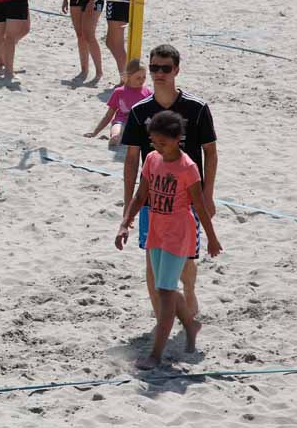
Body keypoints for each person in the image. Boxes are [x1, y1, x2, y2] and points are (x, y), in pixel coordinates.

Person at [116, 110, 221, 370]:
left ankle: (155, 355)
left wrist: (211, 238)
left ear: (177, 140)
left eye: (162, 143)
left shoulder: (188, 168)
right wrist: (125, 223)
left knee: (164, 292)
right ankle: (191, 325)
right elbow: (141, 195)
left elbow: (199, 206)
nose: (157, 147)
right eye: (154, 142)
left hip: (179, 233)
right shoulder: (152, 159)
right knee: (166, 288)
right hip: (156, 229)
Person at [121, 44, 218, 323]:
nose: (159, 73)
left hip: (187, 201)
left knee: (185, 260)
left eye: (165, 68)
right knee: (153, 262)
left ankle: (189, 292)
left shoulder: (197, 109)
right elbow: (131, 159)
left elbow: (210, 153)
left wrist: (208, 195)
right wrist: (129, 203)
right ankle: (162, 320)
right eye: (154, 68)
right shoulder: (139, 111)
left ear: (176, 70)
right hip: (152, 200)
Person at [84, 58, 150, 148]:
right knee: (117, 129)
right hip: (121, 122)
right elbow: (108, 116)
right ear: (129, 76)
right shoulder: (119, 92)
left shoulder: (147, 92)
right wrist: (95, 132)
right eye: (138, 78)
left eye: (144, 77)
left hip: (139, 124)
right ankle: (115, 138)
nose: (142, 80)